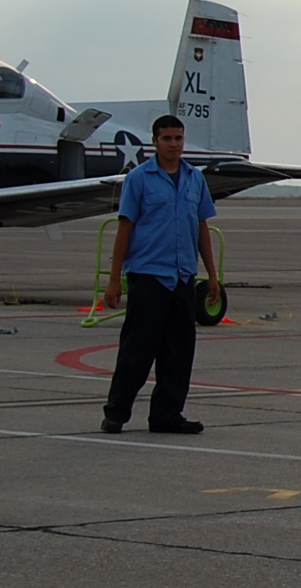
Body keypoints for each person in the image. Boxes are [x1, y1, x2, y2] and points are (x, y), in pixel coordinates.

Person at [100, 115, 220, 435]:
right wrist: (114, 279)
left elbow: (202, 227)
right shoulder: (139, 179)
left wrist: (212, 275)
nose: (173, 145)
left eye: (178, 139)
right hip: (149, 277)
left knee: (179, 352)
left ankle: (167, 414)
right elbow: (125, 229)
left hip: (182, 277)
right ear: (155, 142)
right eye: (167, 139)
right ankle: (116, 412)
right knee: (137, 351)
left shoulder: (195, 179)